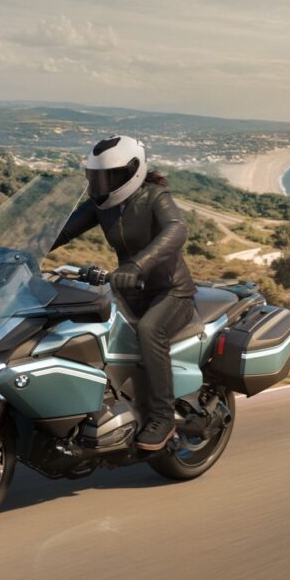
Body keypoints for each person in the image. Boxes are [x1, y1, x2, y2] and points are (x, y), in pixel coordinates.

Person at [51, 135, 197, 451]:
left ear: (132, 171)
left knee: (149, 330)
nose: (102, 185)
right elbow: (62, 230)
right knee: (83, 325)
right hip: (129, 291)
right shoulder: (101, 205)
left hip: (170, 292)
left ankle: (162, 418)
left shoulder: (155, 196)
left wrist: (137, 265)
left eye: (110, 177)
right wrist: (23, 248)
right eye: (96, 177)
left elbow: (176, 230)